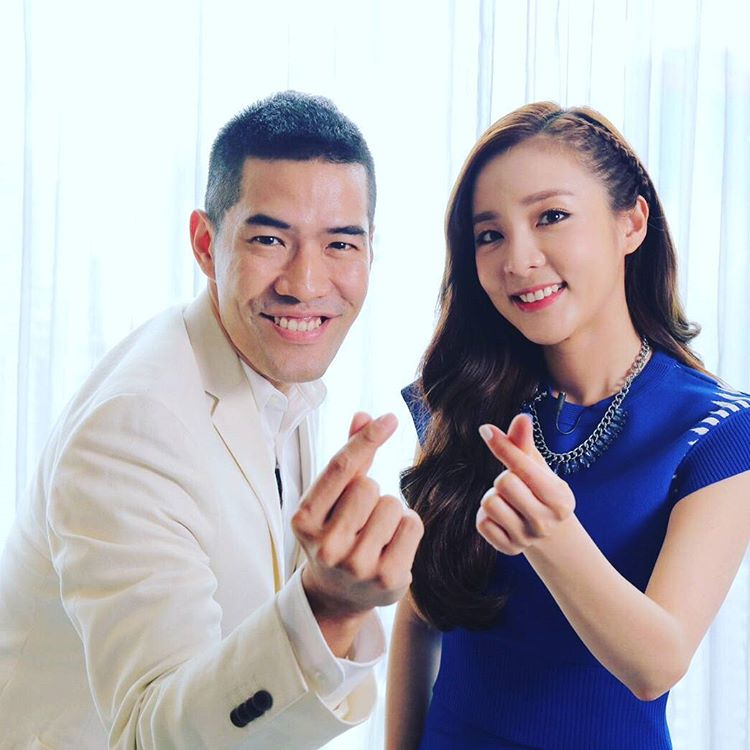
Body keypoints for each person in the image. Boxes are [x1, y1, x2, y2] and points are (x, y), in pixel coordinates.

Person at [0, 91, 423, 750]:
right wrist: (328, 609)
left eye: (340, 243)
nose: (306, 283)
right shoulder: (135, 427)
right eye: (270, 239)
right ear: (205, 243)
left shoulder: (273, 366)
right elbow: (146, 737)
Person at [387, 101, 750, 750]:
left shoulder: (717, 430)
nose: (518, 259)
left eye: (550, 217)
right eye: (489, 235)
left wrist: (552, 537)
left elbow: (657, 664)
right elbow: (419, 616)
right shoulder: (459, 402)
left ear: (631, 223)